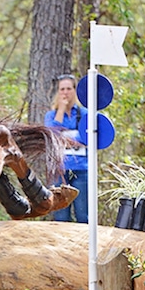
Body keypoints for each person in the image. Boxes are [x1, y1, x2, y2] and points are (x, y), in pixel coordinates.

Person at [44, 74, 88, 223]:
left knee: (83, 215)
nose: (65, 93)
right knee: (61, 216)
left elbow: (87, 138)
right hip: (59, 171)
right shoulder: (51, 116)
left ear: (74, 91)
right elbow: (52, 135)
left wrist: (65, 139)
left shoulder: (84, 114)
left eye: (69, 89)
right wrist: (61, 110)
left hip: (81, 170)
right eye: (62, 89)